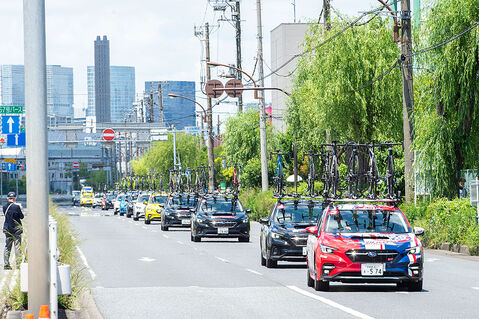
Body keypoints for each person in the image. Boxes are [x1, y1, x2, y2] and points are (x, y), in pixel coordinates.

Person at [3, 191, 24, 270]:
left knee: (7, 247)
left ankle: (6, 265)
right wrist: (20, 209)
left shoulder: (4, 207)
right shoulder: (16, 207)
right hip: (16, 230)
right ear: (15, 198)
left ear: (7, 198)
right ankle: (18, 265)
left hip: (7, 229)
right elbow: (21, 217)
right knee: (17, 247)